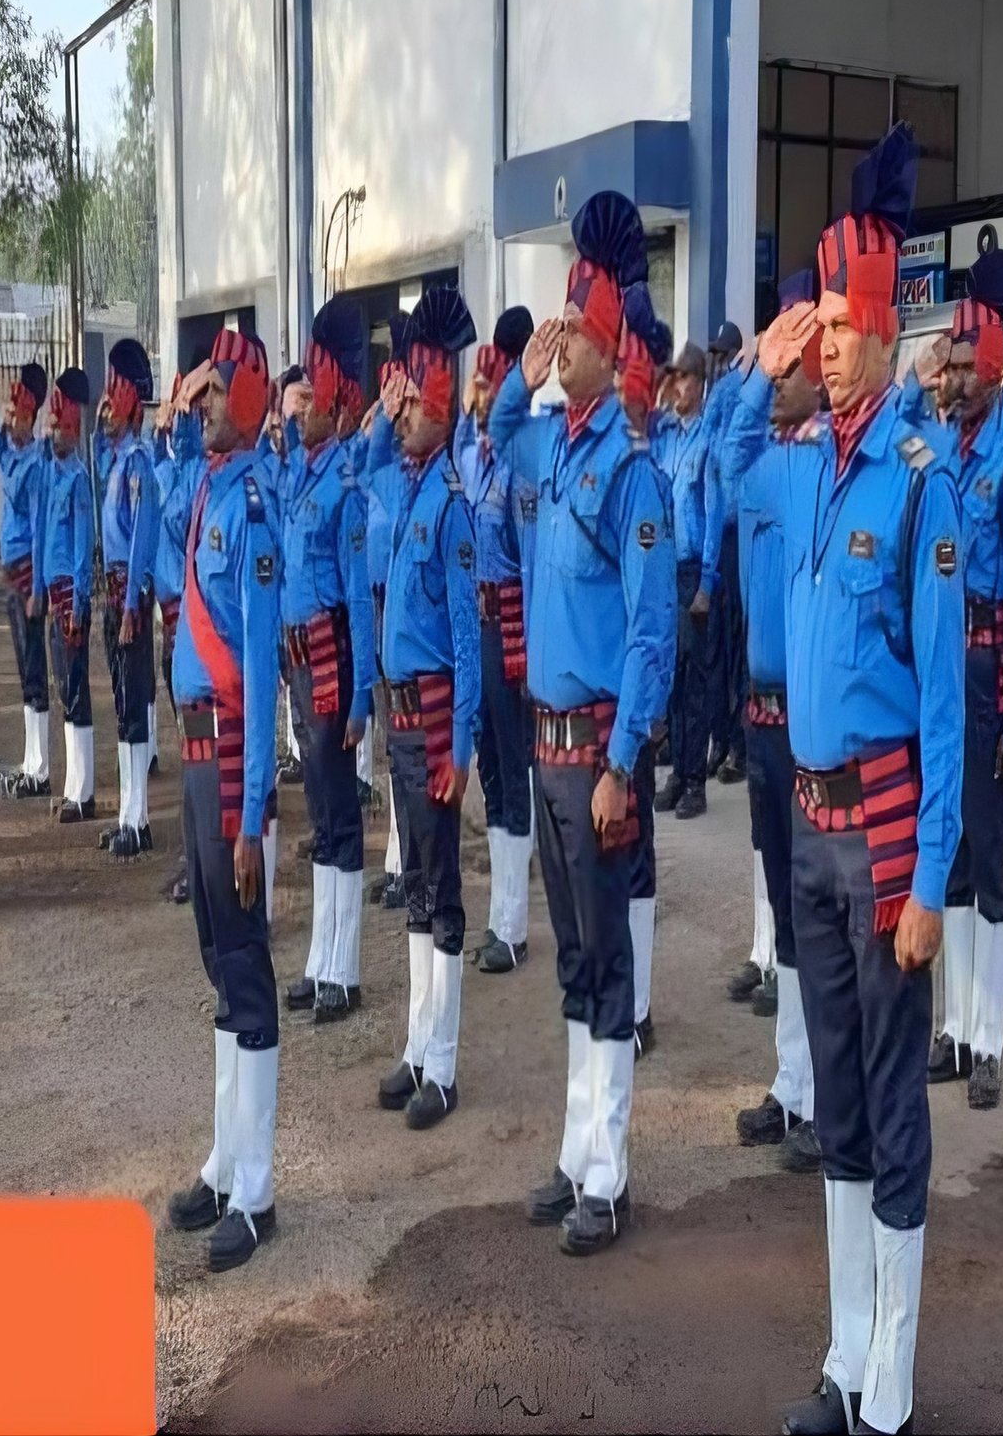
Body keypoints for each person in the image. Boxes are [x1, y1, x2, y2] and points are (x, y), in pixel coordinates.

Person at [727, 124, 964, 1436]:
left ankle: (895, 1389)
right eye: (809, 323)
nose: (817, 342)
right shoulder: (805, 462)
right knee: (836, 1099)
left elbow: (943, 700)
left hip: (877, 831)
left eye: (833, 323)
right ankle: (845, 1351)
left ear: (882, 331)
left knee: (889, 1097)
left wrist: (929, 879)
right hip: (808, 835)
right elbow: (712, 461)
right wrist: (748, 373)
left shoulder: (915, 484)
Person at [488, 189, 676, 1255]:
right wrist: (520, 373)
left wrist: (621, 762)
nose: (561, 348)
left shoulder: (629, 473)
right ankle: (573, 1156)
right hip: (547, 750)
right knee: (572, 961)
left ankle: (609, 1169)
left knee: (608, 964)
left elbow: (652, 635)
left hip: (597, 758)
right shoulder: (554, 445)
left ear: (612, 347)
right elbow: (499, 432)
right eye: (557, 333)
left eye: (576, 335)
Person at [163, 327, 284, 1273]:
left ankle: (258, 1186)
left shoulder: (252, 504)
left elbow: (257, 670)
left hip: (232, 761)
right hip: (198, 754)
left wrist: (249, 817)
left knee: (245, 967)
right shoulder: (204, 487)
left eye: (214, 394)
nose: (202, 404)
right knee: (216, 960)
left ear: (245, 404)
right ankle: (221, 1155)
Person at [921, 248, 1003, 1113]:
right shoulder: (937, 448)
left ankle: (991, 1038)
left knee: (989, 866)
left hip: (990, 672)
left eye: (968, 365)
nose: (956, 378)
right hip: (942, 670)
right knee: (951, 853)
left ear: (995, 368)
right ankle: (954, 1029)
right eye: (950, 365)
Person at [361, 286, 482, 1131]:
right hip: (398, 713)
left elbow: (471, 644)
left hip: (436, 716)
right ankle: (413, 1045)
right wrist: (383, 407)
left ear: (441, 409)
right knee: (411, 885)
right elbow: (366, 466)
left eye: (413, 403)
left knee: (442, 892)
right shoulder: (401, 486)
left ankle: (443, 1061)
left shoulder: (451, 507)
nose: (401, 418)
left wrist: (461, 746)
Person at [725, 266, 824, 1174]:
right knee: (786, 908)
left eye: (797, 360)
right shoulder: (769, 463)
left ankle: (826, 1091)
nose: (781, 372)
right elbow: (726, 450)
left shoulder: (824, 464)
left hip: (815, 719)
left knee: (820, 910)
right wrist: (758, 362)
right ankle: (794, 1080)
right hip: (763, 716)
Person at [276, 295, 377, 1024]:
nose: (297, 409)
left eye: (310, 398)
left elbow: (360, 601)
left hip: (334, 654)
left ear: (340, 405)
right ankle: (318, 958)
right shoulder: (300, 474)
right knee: (318, 813)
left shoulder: (345, 486)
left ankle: (345, 967)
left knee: (341, 816)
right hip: (300, 660)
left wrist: (363, 691)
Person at [457, 306, 539, 976]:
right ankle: (500, 909)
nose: (475, 395)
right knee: (489, 767)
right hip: (477, 625)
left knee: (516, 772)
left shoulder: (518, 465)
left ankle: (511, 922)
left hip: (509, 624)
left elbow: (531, 560)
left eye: (485, 384)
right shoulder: (472, 457)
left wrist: (530, 648)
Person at [617, 302, 676, 1057]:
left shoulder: (646, 477)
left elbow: (651, 617)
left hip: (632, 695)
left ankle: (637, 1003)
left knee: (634, 852)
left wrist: (650, 707)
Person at [654, 341, 727, 821]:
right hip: (664, 571)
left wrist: (707, 582)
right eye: (673, 379)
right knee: (672, 680)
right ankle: (679, 771)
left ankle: (696, 778)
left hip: (693, 570)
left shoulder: (708, 440)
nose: (678, 388)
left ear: (700, 384)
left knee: (696, 679)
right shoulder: (666, 439)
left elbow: (715, 512)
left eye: (685, 379)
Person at [96, 340, 162, 859]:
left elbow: (141, 534)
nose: (106, 408)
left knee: (134, 703)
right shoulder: (115, 458)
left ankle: (138, 820)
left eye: (114, 400)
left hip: (129, 593)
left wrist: (134, 605)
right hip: (111, 592)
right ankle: (125, 813)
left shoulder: (139, 463)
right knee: (120, 703)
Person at [0, 361, 52, 799]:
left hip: (29, 572)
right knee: (22, 667)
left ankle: (41, 767)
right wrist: (0, 422)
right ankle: (30, 762)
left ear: (31, 417)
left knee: (34, 667)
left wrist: (38, 589)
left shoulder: (35, 461)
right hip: (13, 570)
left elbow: (41, 526)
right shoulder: (13, 453)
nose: (10, 420)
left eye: (16, 414)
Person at [154, 369, 206, 905]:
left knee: (202, 752)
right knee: (187, 750)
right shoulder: (169, 472)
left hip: (194, 627)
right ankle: (191, 856)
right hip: (170, 625)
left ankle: (202, 862)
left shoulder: (196, 476)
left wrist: (184, 434)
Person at [369, 313, 415, 911]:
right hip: (380, 605)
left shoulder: (426, 469)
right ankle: (398, 856)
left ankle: (411, 861)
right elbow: (368, 459)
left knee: (410, 750)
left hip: (408, 614)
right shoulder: (386, 461)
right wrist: (382, 410)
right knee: (390, 744)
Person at [41, 367, 97, 826]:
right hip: (52, 597)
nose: (51, 431)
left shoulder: (77, 479)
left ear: (73, 429)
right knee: (64, 690)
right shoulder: (53, 473)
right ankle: (72, 786)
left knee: (75, 690)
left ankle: (84, 792)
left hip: (68, 602)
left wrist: (78, 606)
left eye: (58, 425)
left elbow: (81, 551)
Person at [706, 320, 750, 785]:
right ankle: (723, 739)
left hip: (739, 538)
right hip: (717, 538)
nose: (718, 361)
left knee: (737, 646)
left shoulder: (733, 392)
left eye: (724, 353)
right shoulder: (715, 398)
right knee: (717, 649)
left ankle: (737, 743)